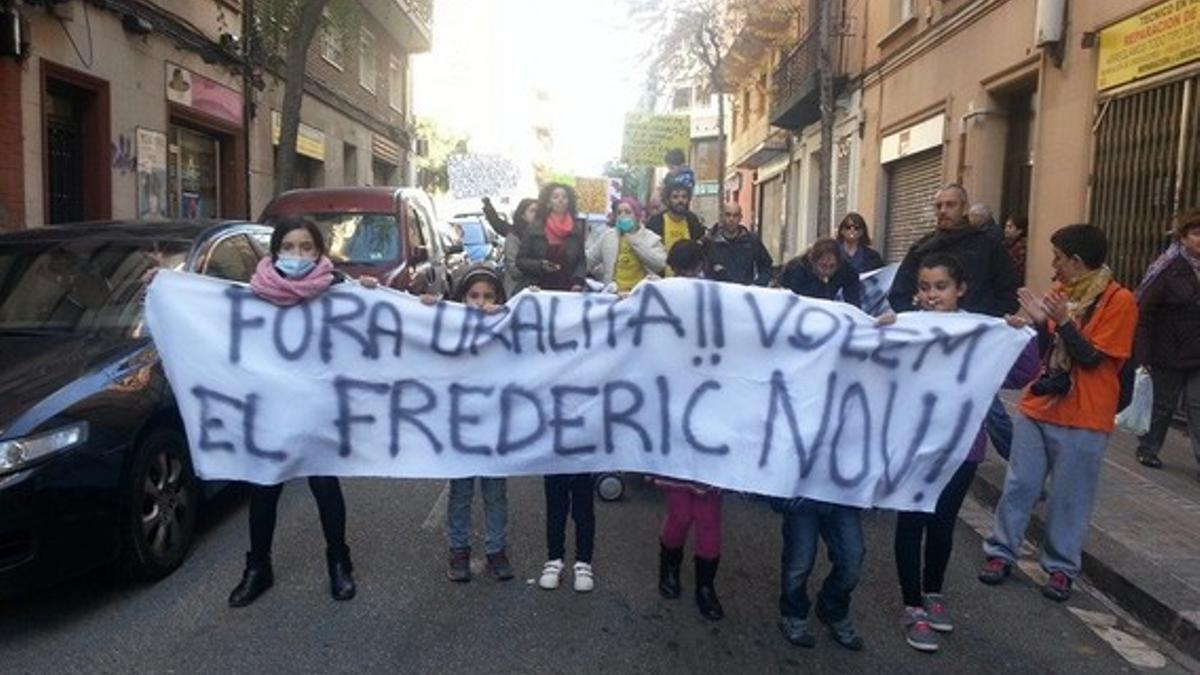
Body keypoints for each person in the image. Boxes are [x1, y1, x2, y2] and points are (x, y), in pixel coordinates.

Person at [979, 224, 1138, 602]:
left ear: (1077, 261)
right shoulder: (1058, 294)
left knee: (1071, 497)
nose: (1054, 266)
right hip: (1039, 406)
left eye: (1058, 258)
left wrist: (1062, 322)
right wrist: (1033, 324)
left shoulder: (1120, 301)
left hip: (1085, 416)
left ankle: (1061, 568)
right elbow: (1048, 350)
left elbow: (1092, 357)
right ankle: (1001, 552)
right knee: (1020, 485)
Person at [892, 253, 1039, 653]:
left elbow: (1021, 375)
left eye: (941, 287)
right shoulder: (907, 328)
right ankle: (912, 606)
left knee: (942, 525)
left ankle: (933, 592)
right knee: (912, 522)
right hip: (915, 446)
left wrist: (1020, 335)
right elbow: (876, 364)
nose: (932, 295)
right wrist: (880, 329)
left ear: (961, 290)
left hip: (963, 447)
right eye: (924, 287)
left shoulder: (982, 333)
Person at [228, 217, 369, 608]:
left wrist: (375, 296)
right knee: (265, 486)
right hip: (272, 409)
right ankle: (258, 568)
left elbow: (373, 326)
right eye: (289, 247)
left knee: (325, 485)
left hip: (318, 409)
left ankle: (339, 562)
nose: (298, 255)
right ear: (274, 252)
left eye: (307, 247)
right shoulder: (253, 294)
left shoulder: (338, 289)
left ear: (320, 252)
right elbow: (207, 305)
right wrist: (164, 283)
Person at [890, 185, 1020, 461]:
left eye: (950, 205)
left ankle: (1022, 468)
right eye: (938, 206)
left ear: (964, 208)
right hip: (932, 348)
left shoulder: (988, 247)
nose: (943, 211)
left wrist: (986, 326)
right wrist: (918, 321)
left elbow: (1008, 290)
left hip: (975, 348)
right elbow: (899, 293)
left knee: (988, 407)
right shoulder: (922, 248)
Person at [652, 241, 725, 621]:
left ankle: (705, 586)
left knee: (709, 514)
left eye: (693, 270)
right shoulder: (658, 301)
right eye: (680, 272)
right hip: (676, 428)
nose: (688, 278)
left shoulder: (724, 303)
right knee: (681, 513)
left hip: (713, 427)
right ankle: (667, 567)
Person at [428, 266, 515, 583]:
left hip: (496, 429)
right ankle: (459, 550)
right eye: (473, 296)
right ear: (461, 299)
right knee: (461, 493)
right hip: (460, 429)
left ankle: (496, 551)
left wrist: (526, 306)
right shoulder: (449, 330)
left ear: (500, 300)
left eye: (488, 296)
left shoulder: (507, 330)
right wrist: (422, 311)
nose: (480, 303)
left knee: (495, 494)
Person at [1132, 209, 1200, 474]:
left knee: (1197, 404)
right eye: (1196, 234)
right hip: (1168, 350)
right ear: (1183, 238)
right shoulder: (1167, 268)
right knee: (1163, 404)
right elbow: (1144, 312)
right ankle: (1148, 447)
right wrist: (1143, 357)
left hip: (1197, 351)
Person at [516, 184, 588, 293]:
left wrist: (577, 281)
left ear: (569, 202)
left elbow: (581, 261)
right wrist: (540, 265)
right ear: (548, 202)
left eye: (564, 197)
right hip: (538, 289)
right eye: (555, 197)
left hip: (567, 290)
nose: (560, 200)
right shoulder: (535, 228)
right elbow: (520, 260)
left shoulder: (576, 230)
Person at [587, 197, 667, 292]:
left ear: (637, 216)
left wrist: (634, 241)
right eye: (619, 213)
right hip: (614, 295)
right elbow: (589, 260)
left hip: (640, 295)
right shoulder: (608, 236)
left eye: (628, 212)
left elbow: (661, 264)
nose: (623, 216)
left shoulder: (651, 238)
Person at [780, 238, 863, 308]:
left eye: (832, 266)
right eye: (823, 266)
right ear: (812, 261)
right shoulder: (795, 269)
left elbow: (854, 302)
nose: (827, 271)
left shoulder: (846, 269)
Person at [705, 203, 774, 286]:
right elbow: (704, 271)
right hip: (720, 295)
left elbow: (766, 267)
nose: (731, 219)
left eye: (735, 215)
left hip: (744, 294)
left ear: (740, 218)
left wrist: (757, 284)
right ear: (722, 216)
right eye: (728, 215)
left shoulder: (751, 241)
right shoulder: (711, 242)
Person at [486, 197, 536, 296]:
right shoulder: (514, 236)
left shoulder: (541, 234)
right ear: (522, 215)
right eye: (532, 211)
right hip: (517, 292)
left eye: (539, 211)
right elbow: (514, 269)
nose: (537, 214)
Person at [646, 176, 705, 257]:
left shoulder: (692, 220)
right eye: (675, 197)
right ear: (668, 200)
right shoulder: (656, 222)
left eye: (684, 197)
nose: (680, 200)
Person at [1004, 215, 1029, 282]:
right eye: (1006, 226)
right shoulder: (1005, 244)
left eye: (1010, 227)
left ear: (1020, 230)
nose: (1006, 230)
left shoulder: (1022, 246)